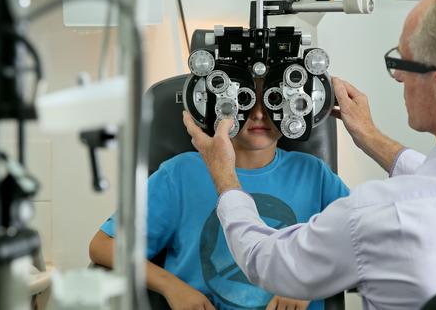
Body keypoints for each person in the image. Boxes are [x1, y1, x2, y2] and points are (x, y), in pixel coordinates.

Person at [183, 0, 436, 309]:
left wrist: (224, 176)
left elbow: (268, 263)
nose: (397, 76)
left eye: (402, 62)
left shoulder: (376, 217)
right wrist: (370, 137)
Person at [89, 80, 350, 310]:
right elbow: (103, 246)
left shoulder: (314, 175)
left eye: (274, 100)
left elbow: (363, 243)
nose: (259, 113)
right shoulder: (180, 174)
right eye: (245, 100)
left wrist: (308, 282)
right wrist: (172, 287)